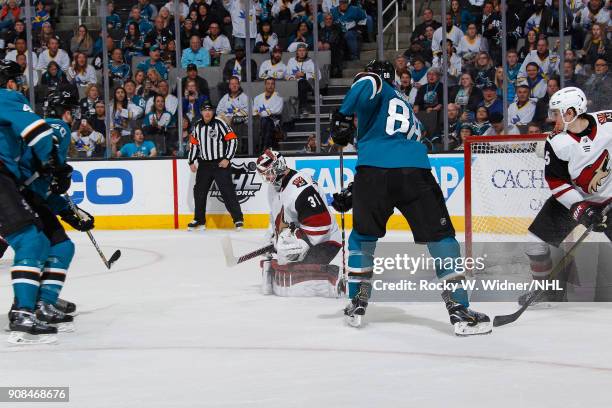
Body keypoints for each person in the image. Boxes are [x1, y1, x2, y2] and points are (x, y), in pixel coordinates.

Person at [329, 60, 491, 334]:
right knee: (442, 239)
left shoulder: (374, 84)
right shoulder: (403, 102)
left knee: (362, 238)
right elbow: (397, 153)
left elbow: (368, 84)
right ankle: (460, 310)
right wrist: (356, 191)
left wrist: (342, 116)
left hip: (373, 172)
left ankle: (357, 302)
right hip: (415, 173)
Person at [520, 87, 612, 306]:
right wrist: (581, 208)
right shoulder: (557, 142)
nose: (553, 118)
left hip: (609, 198)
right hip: (575, 199)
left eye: (557, 113)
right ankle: (547, 292)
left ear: (571, 112)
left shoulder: (608, 121)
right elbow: (557, 182)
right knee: (534, 243)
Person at [0, 60, 67, 344]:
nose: (19, 85)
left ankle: (25, 307)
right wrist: (53, 163)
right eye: (15, 79)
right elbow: (38, 132)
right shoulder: (6, 97)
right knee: (31, 240)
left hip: (7, 180)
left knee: (35, 240)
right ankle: (23, 312)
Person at [14, 89, 90, 334]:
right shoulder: (59, 127)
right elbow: (46, 172)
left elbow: (48, 182)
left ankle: (39, 300)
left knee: (48, 246)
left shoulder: (42, 124)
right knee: (55, 246)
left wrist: (69, 211)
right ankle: (39, 303)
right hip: (27, 196)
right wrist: (58, 170)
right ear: (67, 111)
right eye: (73, 110)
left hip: (27, 194)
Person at [255, 149, 342, 297]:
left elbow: (322, 224)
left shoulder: (301, 189)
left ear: (279, 166)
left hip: (325, 242)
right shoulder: (274, 187)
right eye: (264, 175)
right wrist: (271, 236)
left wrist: (301, 244)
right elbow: (276, 215)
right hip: (301, 235)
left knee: (300, 276)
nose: (267, 178)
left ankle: (331, 282)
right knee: (286, 263)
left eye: (269, 173)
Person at [187, 102, 244, 231]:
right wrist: (191, 161)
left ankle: (238, 219)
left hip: (219, 164)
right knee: (199, 192)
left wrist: (227, 159)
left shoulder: (220, 123)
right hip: (204, 165)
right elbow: (194, 145)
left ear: (213, 112)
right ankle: (199, 220)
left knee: (227, 191)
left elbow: (233, 139)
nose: (207, 113)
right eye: (205, 110)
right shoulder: (197, 126)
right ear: (201, 112)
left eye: (210, 110)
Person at [286, 43, 320, 115]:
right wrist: (292, 78)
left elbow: (318, 76)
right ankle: (301, 107)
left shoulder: (310, 62)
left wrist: (304, 75)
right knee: (298, 83)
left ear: (306, 52)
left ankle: (303, 107)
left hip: (308, 84)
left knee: (302, 82)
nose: (301, 52)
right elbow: (286, 74)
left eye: (303, 50)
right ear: (297, 52)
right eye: (300, 50)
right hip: (293, 84)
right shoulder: (291, 61)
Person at [253, 77, 283, 152]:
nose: (270, 86)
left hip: (274, 121)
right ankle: (264, 148)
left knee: (267, 121)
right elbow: (254, 111)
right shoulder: (257, 98)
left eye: (272, 84)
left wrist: (262, 113)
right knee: (262, 121)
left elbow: (277, 111)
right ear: (265, 85)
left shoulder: (279, 98)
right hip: (259, 121)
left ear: (274, 85)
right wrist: (267, 111)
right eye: (268, 84)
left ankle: (265, 148)